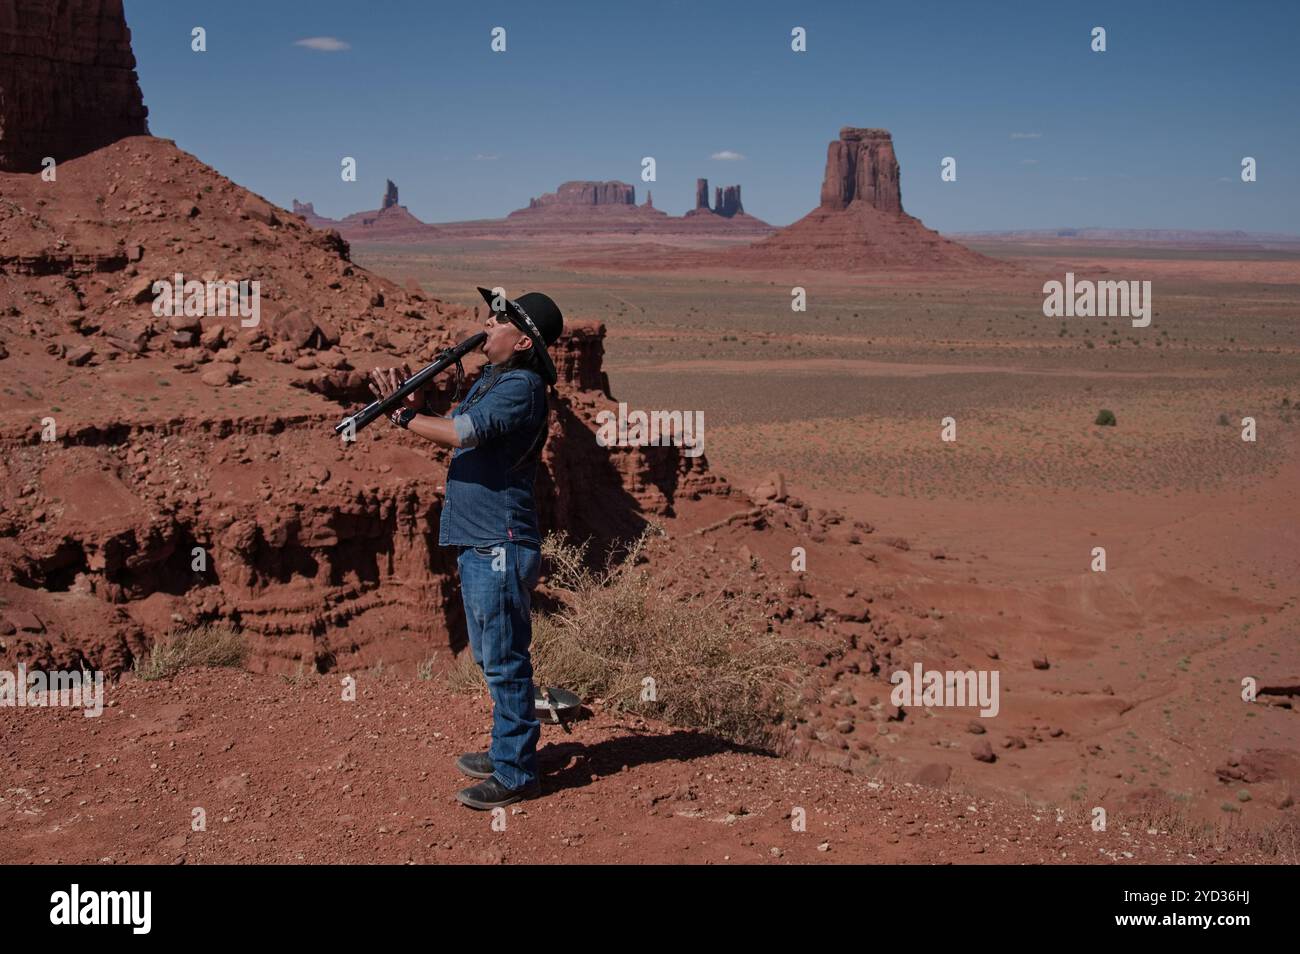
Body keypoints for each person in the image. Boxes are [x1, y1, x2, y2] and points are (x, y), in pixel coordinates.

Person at [368, 286, 563, 810]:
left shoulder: (521, 386)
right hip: (481, 539)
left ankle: (518, 773)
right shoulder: (497, 379)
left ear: (523, 342)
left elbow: (463, 434)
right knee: (491, 655)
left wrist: (402, 418)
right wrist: (416, 403)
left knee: (504, 659)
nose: (486, 326)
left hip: (498, 540)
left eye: (498, 321)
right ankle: (507, 750)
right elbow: (455, 422)